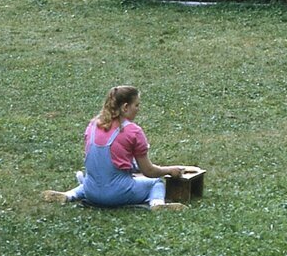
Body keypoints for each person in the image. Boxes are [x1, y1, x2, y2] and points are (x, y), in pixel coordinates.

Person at [43, 85, 187, 211]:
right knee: (156, 183)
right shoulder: (133, 131)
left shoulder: (93, 125)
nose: (138, 109)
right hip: (117, 194)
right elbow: (148, 171)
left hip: (92, 192)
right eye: (136, 105)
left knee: (95, 181)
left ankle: (69, 195)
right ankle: (157, 204)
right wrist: (170, 170)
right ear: (125, 107)